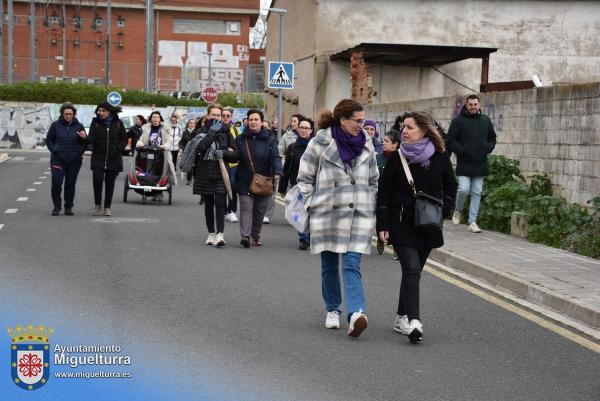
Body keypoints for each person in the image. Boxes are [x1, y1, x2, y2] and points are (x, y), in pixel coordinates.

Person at [296, 99, 378, 338]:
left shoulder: (367, 144)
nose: (361, 126)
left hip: (358, 213)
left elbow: (373, 179)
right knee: (330, 264)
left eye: (363, 121)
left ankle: (356, 314)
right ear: (343, 120)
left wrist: (370, 201)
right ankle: (333, 309)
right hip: (328, 213)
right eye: (358, 121)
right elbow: (304, 179)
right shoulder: (319, 143)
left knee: (352, 263)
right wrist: (312, 204)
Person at [376, 111, 457, 343]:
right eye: (403, 127)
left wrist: (444, 211)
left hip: (428, 225)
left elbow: (451, 186)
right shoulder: (396, 158)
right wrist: (382, 224)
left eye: (410, 127)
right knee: (411, 269)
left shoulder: (440, 157)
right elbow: (384, 193)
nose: (404, 131)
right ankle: (414, 321)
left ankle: (401, 316)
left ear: (423, 130)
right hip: (400, 223)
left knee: (414, 273)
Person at [446, 95, 496, 233]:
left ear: (479, 105)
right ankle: (458, 210)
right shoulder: (458, 121)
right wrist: (462, 151)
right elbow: (450, 140)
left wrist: (487, 148)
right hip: (465, 162)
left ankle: (472, 222)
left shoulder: (485, 120)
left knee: (477, 192)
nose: (473, 107)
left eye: (475, 104)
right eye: (470, 105)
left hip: (480, 162)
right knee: (463, 189)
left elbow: (492, 138)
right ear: (466, 105)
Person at [235, 109, 282, 248]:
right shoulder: (240, 139)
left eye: (256, 119)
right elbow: (236, 155)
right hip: (244, 179)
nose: (253, 122)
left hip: (264, 180)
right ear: (247, 122)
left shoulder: (270, 139)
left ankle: (255, 235)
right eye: (251, 119)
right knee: (246, 208)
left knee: (259, 211)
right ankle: (245, 235)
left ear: (261, 122)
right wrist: (225, 154)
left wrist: (278, 170)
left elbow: (275, 157)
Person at [194, 104, 237, 247]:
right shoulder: (201, 131)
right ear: (208, 116)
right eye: (213, 115)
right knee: (209, 204)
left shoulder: (227, 132)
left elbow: (236, 155)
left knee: (220, 202)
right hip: (205, 172)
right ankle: (211, 233)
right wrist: (211, 132)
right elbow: (200, 149)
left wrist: (225, 153)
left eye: (219, 115)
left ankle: (220, 234)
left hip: (221, 172)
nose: (217, 118)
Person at [279, 116, 315, 250]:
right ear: (298, 129)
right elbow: (287, 168)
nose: (304, 130)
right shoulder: (292, 147)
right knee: (300, 211)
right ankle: (303, 239)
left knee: (313, 212)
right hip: (297, 185)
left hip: (314, 184)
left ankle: (312, 236)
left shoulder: (317, 146)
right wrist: (282, 187)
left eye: (307, 128)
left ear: (311, 131)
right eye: (302, 128)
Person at [46, 102, 87, 216]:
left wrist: (80, 149)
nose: (68, 116)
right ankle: (56, 206)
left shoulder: (79, 126)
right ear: (62, 114)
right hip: (58, 159)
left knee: (70, 184)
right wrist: (54, 150)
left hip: (74, 160)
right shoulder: (55, 125)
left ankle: (68, 207)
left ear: (74, 114)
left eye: (70, 114)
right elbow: (49, 140)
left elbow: (84, 142)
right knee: (56, 182)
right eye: (66, 114)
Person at [87, 101, 128, 217]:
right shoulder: (95, 122)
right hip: (98, 157)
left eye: (103, 111)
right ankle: (97, 205)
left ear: (109, 111)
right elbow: (91, 137)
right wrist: (89, 144)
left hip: (113, 157)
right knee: (97, 180)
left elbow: (124, 139)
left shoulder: (118, 123)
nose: (101, 113)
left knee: (110, 184)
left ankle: (107, 207)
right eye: (99, 111)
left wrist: (118, 149)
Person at [137, 111, 173, 202]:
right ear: (151, 119)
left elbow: (169, 141)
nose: (155, 119)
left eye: (157, 117)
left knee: (159, 172)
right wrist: (140, 143)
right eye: (153, 117)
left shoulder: (165, 129)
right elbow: (141, 140)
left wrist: (164, 146)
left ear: (160, 119)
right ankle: (148, 188)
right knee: (148, 170)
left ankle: (159, 192)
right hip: (148, 152)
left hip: (161, 154)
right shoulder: (146, 129)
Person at [222, 106, 240, 223]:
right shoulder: (217, 128)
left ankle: (232, 211)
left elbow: (237, 146)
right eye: (223, 116)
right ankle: (223, 211)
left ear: (231, 117)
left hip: (233, 164)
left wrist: (232, 149)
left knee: (233, 186)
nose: (225, 118)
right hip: (221, 163)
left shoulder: (235, 129)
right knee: (221, 188)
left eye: (228, 116)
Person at [179, 118, 197, 185]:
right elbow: (182, 142)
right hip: (187, 152)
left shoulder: (197, 132)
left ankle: (196, 179)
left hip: (195, 151)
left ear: (195, 124)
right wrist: (181, 149)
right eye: (190, 123)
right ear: (188, 124)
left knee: (195, 166)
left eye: (193, 123)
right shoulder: (185, 132)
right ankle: (189, 180)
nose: (192, 124)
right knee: (189, 166)